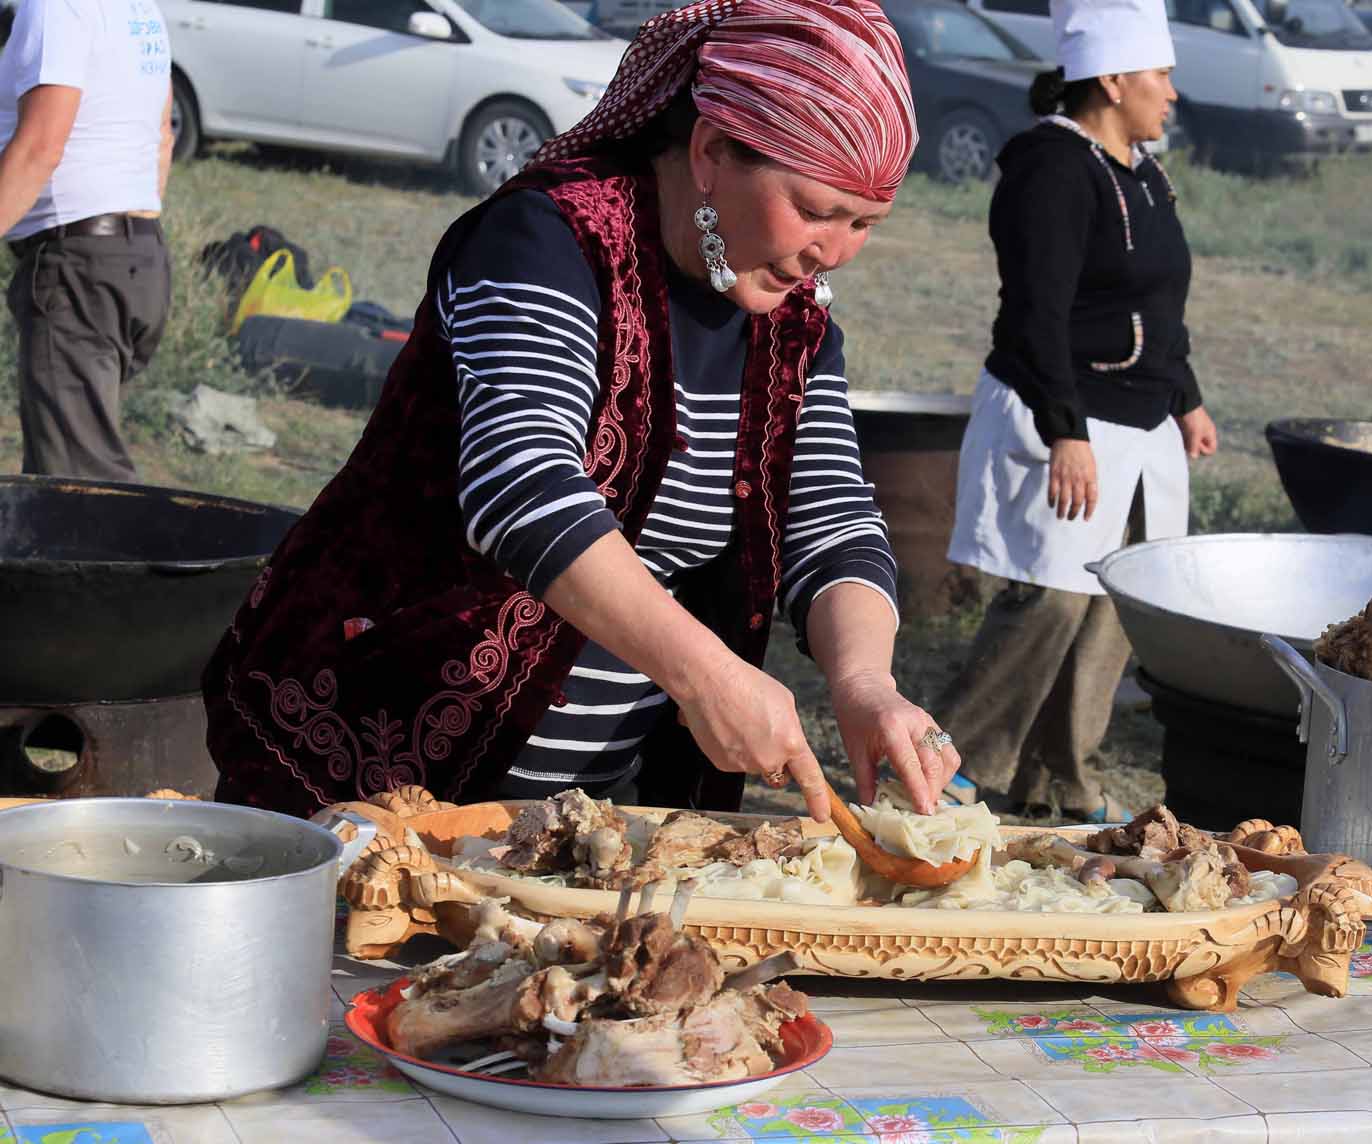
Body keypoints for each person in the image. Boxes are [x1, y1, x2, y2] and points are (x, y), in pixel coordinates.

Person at [202, 0, 962, 825]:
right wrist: (706, 675)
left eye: (865, 223)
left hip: (584, 809)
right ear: (710, 151)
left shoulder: (793, 324)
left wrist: (864, 686)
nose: (834, 251)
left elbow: (833, 524)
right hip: (371, 770)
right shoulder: (547, 241)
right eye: (815, 210)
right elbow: (523, 485)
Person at [936, 0, 1217, 822]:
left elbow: (1161, 305)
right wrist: (1067, 432)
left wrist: (1187, 399)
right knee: (1051, 598)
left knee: (1114, 605)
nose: (1170, 93)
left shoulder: (1142, 169)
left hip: (1141, 427)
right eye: (1160, 76)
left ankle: (1060, 782)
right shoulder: (1051, 170)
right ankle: (946, 764)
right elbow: (1035, 314)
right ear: (1113, 78)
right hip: (1063, 416)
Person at [0, 0, 173, 482]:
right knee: (65, 468)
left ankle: (159, 555)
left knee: (84, 493)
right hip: (136, 256)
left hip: (80, 265)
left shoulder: (57, 7)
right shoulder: (139, 10)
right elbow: (161, 135)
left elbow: (40, 147)